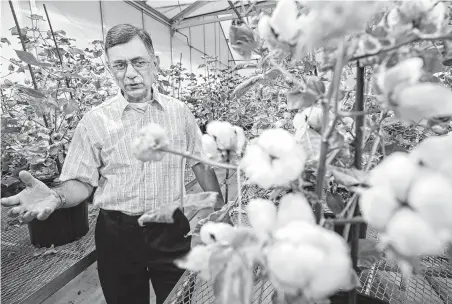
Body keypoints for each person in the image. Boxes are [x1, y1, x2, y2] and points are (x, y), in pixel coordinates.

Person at [1, 24, 225, 304]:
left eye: (138, 62)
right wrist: (57, 195)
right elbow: (82, 182)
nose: (130, 73)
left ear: (154, 63)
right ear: (109, 69)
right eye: (120, 65)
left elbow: (200, 164)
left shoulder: (179, 113)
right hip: (118, 234)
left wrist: (221, 211)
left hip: (170, 227)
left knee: (179, 297)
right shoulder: (95, 122)